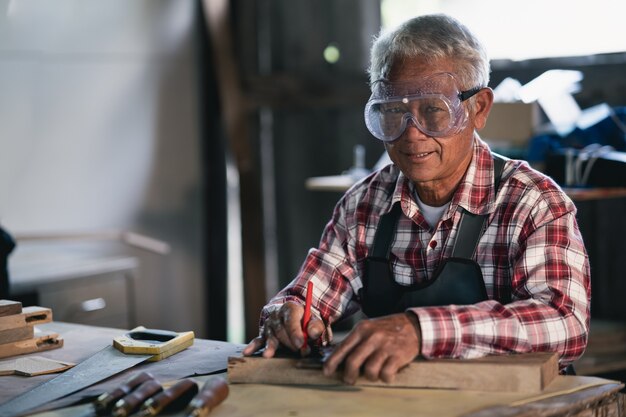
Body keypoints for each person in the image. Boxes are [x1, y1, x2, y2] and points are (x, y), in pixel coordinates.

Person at [243, 13, 591, 384]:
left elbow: (564, 323)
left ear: (479, 108)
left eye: (433, 110)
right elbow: (314, 291)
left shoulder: (533, 202)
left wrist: (420, 330)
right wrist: (289, 312)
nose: (412, 134)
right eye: (394, 111)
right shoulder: (363, 205)